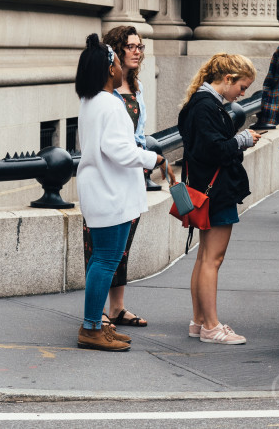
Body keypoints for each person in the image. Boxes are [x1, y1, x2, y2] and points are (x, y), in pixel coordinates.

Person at [73, 34, 165, 352]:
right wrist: (154, 158)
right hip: (110, 192)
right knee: (106, 260)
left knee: (103, 259)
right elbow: (120, 151)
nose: (118, 67)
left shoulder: (91, 102)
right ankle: (91, 328)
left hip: (101, 188)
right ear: (108, 69)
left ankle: (95, 325)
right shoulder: (110, 106)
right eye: (115, 61)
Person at [178, 54, 261, 345]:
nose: (242, 94)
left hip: (205, 190)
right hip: (216, 191)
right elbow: (214, 149)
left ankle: (199, 321)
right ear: (227, 80)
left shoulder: (200, 104)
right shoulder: (206, 107)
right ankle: (211, 326)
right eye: (241, 87)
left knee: (204, 258)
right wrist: (243, 140)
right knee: (213, 259)